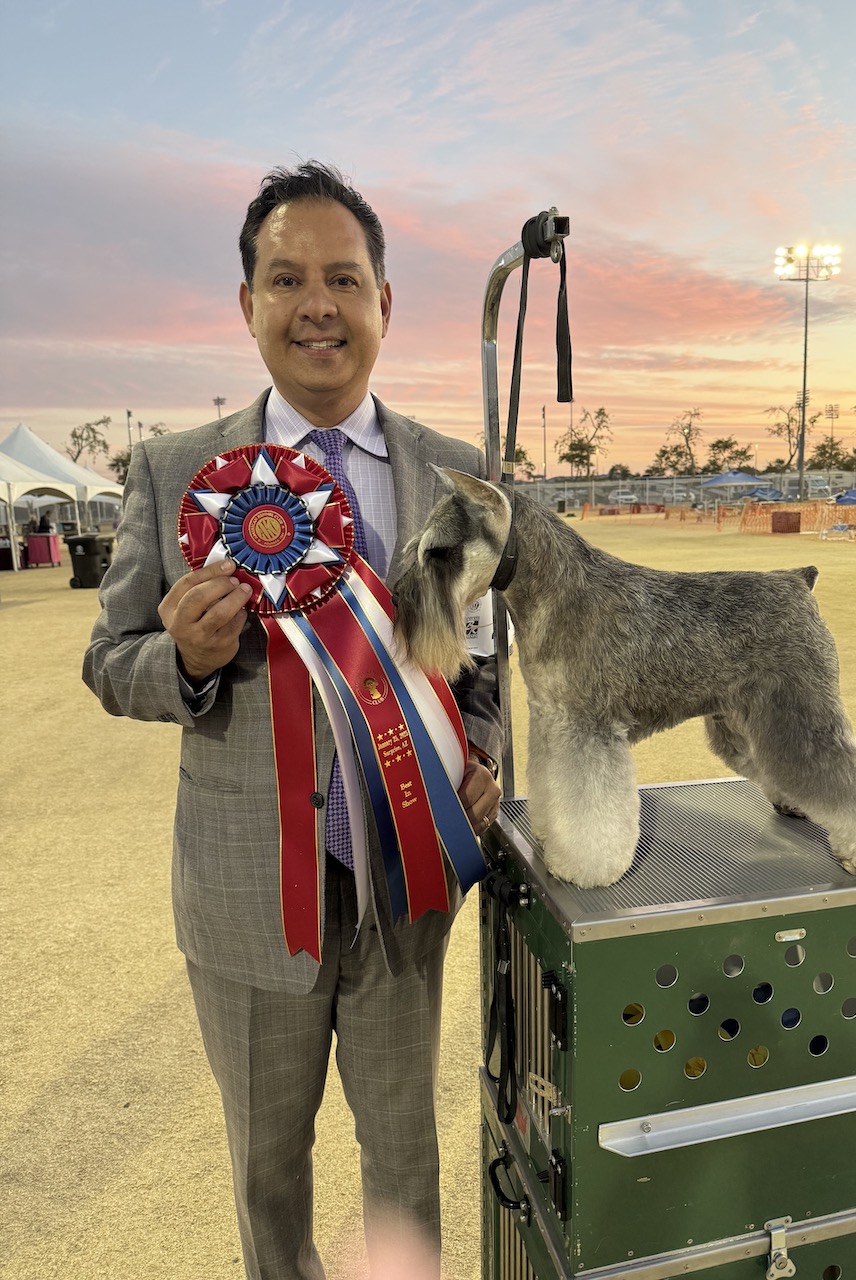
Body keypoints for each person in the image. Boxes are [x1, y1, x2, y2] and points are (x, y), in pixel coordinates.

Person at [82, 162, 503, 1279]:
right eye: (287, 279)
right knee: (268, 1173)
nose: (318, 304)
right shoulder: (174, 470)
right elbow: (108, 661)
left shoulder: (457, 476)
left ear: (383, 302)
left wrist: (479, 755)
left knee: (403, 1162)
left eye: (343, 279)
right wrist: (184, 659)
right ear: (249, 303)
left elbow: (487, 662)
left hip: (405, 885)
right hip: (245, 892)